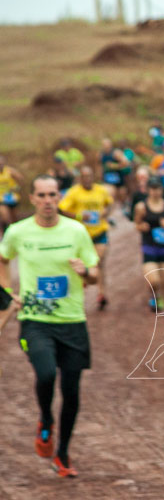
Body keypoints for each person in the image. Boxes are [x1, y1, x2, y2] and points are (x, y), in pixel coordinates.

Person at [0, 175, 99, 477]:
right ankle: (45, 419)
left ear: (59, 197)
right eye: (41, 195)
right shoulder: (18, 232)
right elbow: (2, 259)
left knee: (71, 391)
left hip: (72, 321)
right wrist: (7, 294)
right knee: (45, 373)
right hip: (35, 321)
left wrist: (87, 273)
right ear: (31, 198)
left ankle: (63, 454)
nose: (47, 200)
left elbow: (94, 272)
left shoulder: (76, 231)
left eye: (52, 194)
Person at [58, 166, 114, 310]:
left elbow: (110, 204)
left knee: (99, 261)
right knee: (81, 265)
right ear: (80, 178)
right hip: (81, 235)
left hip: (99, 232)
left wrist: (104, 213)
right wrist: (79, 216)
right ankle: (85, 281)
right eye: (84, 177)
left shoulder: (101, 190)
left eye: (89, 176)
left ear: (93, 177)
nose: (87, 179)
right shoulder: (74, 192)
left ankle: (101, 294)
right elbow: (62, 209)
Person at [134, 177, 164, 311]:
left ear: (161, 189)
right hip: (149, 248)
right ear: (148, 190)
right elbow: (136, 224)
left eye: (158, 189)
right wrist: (141, 226)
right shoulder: (141, 207)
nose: (155, 192)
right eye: (152, 189)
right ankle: (154, 295)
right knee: (154, 280)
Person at [0, 155, 25, 233]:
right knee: (5, 216)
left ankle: (16, 232)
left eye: (1, 163)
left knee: (14, 218)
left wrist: (17, 187)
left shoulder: (9, 171)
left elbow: (21, 179)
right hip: (1, 198)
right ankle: (6, 232)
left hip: (11, 197)